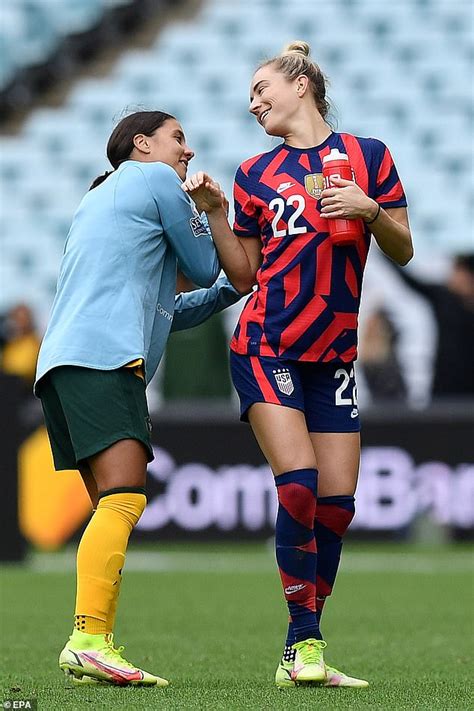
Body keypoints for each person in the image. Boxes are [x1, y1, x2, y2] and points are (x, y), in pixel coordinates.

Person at [182, 41, 413, 689]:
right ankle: (305, 640)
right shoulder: (254, 173)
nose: (252, 101)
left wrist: (368, 210)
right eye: (250, 95)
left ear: (301, 82)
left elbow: (404, 248)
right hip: (267, 344)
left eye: (262, 87)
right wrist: (219, 215)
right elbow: (247, 272)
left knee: (337, 505)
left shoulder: (369, 157)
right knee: (301, 484)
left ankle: (299, 648)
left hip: (333, 356)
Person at [34, 110, 242, 687]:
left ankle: (92, 640)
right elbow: (202, 266)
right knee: (125, 498)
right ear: (142, 145)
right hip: (103, 361)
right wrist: (210, 215)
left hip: (61, 364)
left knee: (111, 506)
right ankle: (88, 639)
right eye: (179, 138)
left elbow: (166, 307)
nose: (189, 152)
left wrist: (231, 288)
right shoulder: (153, 179)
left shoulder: (99, 197)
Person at [387, 254, 474, 399]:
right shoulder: (444, 297)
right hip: (444, 386)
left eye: (457, 271)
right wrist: (387, 252)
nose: (452, 275)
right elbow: (411, 281)